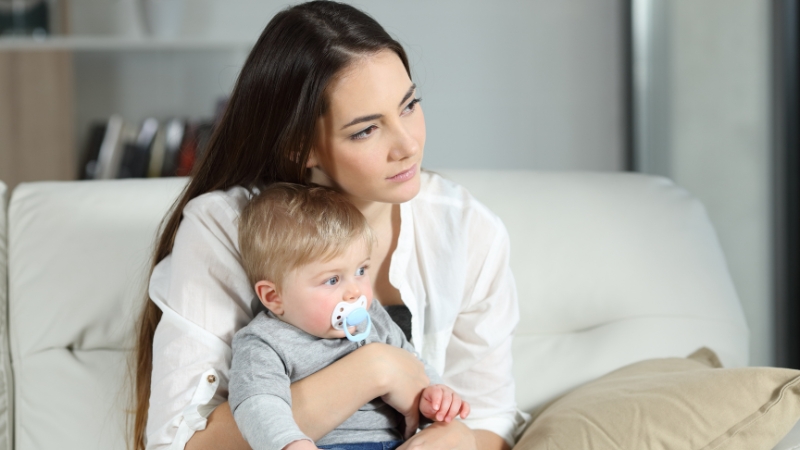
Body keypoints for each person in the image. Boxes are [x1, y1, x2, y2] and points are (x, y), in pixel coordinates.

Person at [133, 2, 529, 449]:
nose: (407, 145)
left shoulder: (467, 230)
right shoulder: (225, 229)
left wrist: (454, 438)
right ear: (302, 146)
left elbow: (493, 421)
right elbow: (180, 443)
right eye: (366, 130)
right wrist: (374, 369)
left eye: (409, 105)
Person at [231, 183, 470, 450]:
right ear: (274, 297)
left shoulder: (375, 318)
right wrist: (290, 444)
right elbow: (257, 403)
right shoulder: (263, 342)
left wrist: (435, 395)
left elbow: (413, 365)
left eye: (361, 270)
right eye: (332, 279)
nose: (355, 291)